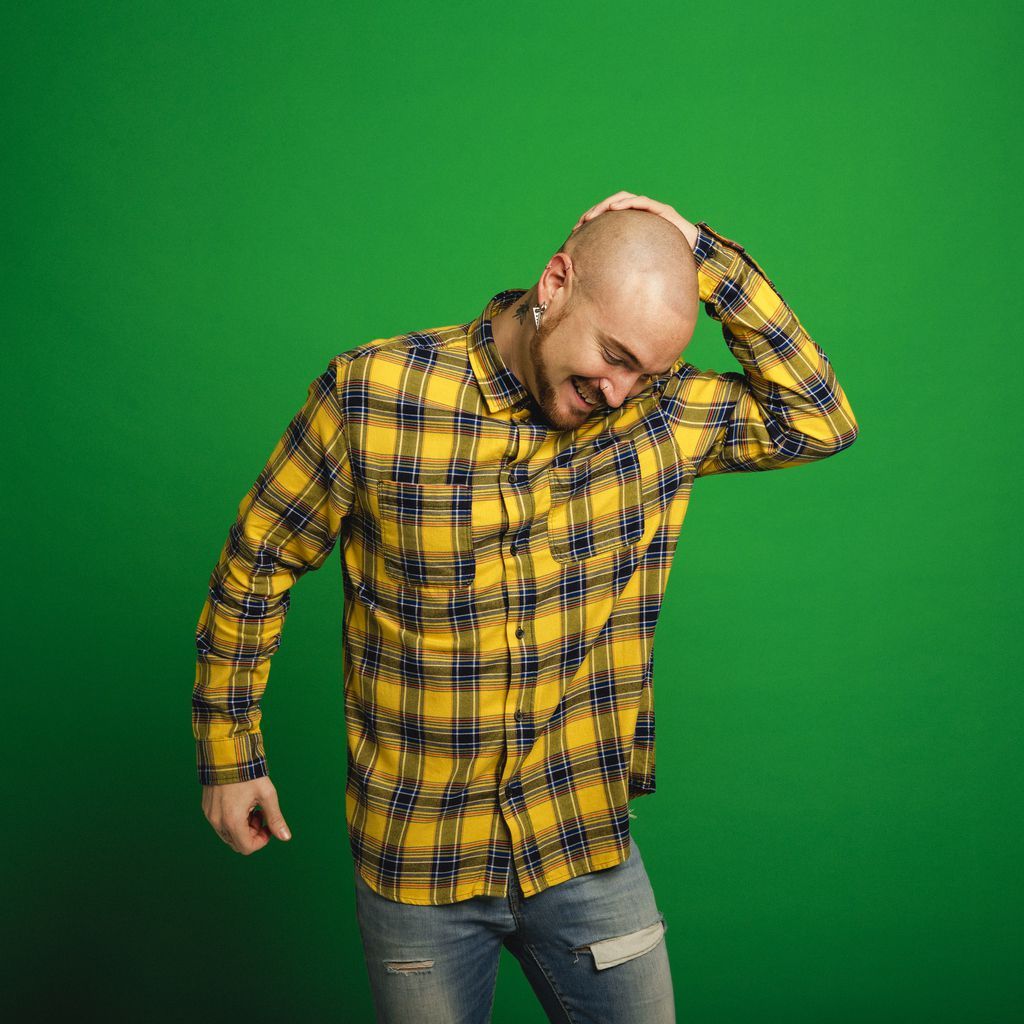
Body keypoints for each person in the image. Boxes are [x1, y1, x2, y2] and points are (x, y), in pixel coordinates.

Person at [193, 190, 859, 1023]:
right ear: (555, 283)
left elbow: (819, 419)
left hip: (580, 840)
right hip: (419, 855)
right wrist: (229, 755)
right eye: (613, 355)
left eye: (645, 373)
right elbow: (259, 560)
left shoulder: (661, 416)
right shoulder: (374, 393)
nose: (619, 391)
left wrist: (703, 254)